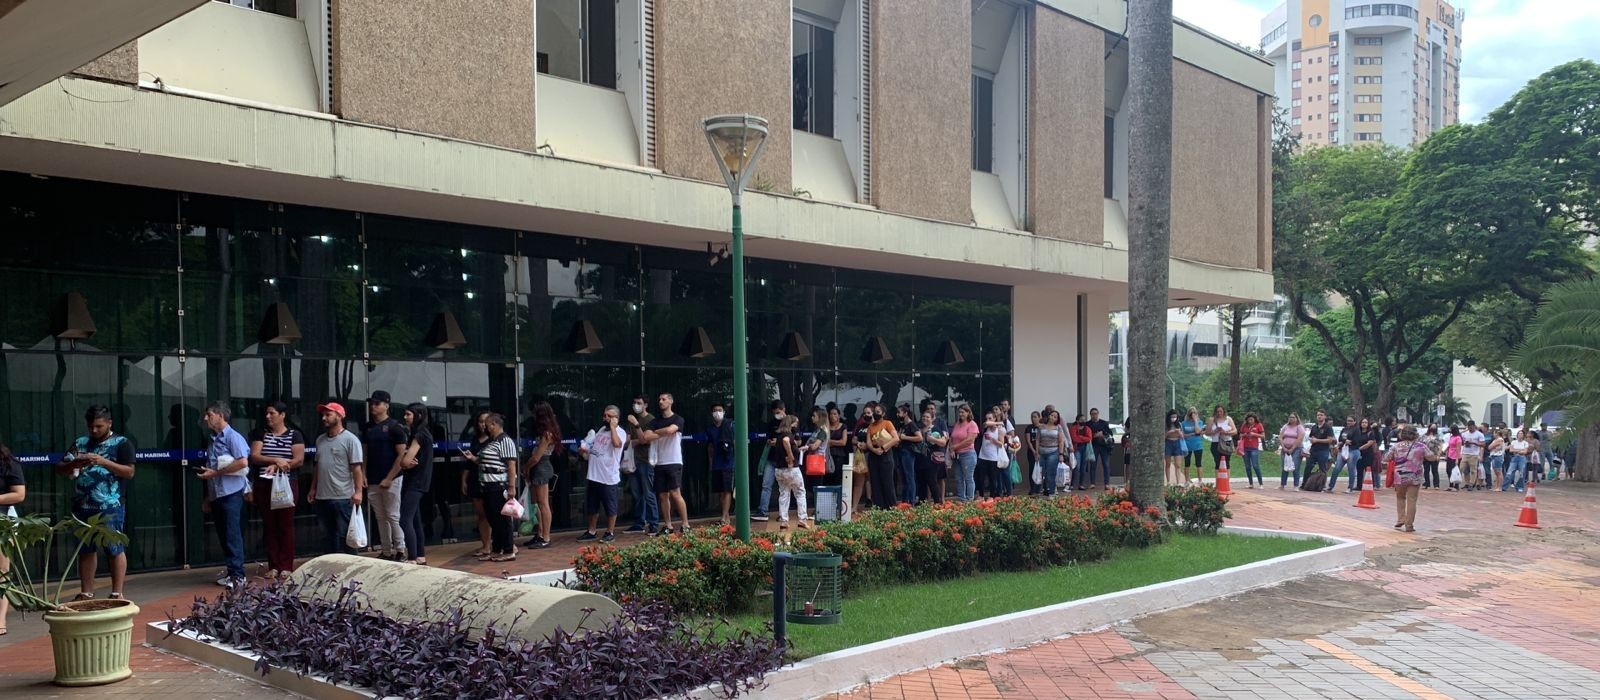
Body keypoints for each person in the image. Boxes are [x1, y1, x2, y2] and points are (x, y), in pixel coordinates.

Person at [58, 405, 136, 601]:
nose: (94, 430)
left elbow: (129, 472)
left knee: (114, 547)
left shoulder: (122, 443)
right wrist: (74, 464)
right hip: (82, 505)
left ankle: (117, 592)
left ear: (109, 423)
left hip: (110, 506)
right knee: (85, 549)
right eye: (91, 426)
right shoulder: (80, 443)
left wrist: (104, 462)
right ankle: (86, 591)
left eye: (99, 426)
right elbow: (60, 468)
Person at [248, 401, 305, 579]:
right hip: (265, 484)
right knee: (270, 525)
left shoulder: (295, 435)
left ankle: (286, 565)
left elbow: (299, 459)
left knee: (285, 525)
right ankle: (273, 565)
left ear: (282, 415)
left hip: (286, 484)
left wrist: (282, 465)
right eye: (267, 413)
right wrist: (275, 460)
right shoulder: (261, 433)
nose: (268, 417)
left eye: (272, 413)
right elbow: (255, 456)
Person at [308, 401, 364, 556]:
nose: (324, 418)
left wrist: (358, 492)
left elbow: (356, 468)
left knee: (347, 537)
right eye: (323, 415)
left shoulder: (350, 439)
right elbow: (317, 466)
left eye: (328, 414)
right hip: (322, 496)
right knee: (327, 537)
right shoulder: (320, 440)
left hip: (343, 496)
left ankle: (352, 572)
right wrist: (313, 488)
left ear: (339, 416)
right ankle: (331, 571)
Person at [363, 390, 410, 561]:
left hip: (392, 478)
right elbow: (365, 453)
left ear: (386, 406)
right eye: (372, 403)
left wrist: (390, 477)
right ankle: (386, 549)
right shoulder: (368, 427)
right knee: (380, 516)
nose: (373, 406)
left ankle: (401, 549)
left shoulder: (395, 427)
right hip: (373, 477)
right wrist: (364, 473)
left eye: (377, 403)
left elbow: (401, 455)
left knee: (392, 515)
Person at [639, 393, 688, 536]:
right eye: (659, 399)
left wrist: (658, 432)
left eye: (664, 399)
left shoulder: (678, 419)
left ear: (671, 401)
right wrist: (663, 432)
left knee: (675, 493)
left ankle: (685, 524)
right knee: (662, 495)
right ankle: (668, 525)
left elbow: (671, 430)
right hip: (659, 462)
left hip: (673, 461)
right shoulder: (655, 421)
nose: (661, 402)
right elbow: (646, 437)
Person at [576, 405, 626, 543]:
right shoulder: (601, 430)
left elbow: (617, 444)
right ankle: (592, 531)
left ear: (616, 418)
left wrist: (613, 428)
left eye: (609, 416)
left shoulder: (619, 432)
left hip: (608, 476)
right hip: (594, 474)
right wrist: (584, 450)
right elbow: (594, 447)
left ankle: (610, 531)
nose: (605, 418)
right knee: (592, 506)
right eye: (604, 415)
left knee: (610, 506)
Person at [473, 413, 519, 561]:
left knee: (502, 519)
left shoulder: (505, 441)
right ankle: (497, 548)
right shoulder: (493, 441)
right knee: (493, 518)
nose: (485, 428)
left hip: (499, 486)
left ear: (494, 424)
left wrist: (511, 487)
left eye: (487, 425)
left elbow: (511, 465)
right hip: (488, 486)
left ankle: (508, 550)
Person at [520, 401, 562, 549]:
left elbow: (536, 457)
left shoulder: (547, 434)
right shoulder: (546, 431)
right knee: (536, 503)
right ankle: (540, 533)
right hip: (539, 468)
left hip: (541, 467)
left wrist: (526, 467)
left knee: (543, 503)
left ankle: (546, 536)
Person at [396, 403, 434, 565]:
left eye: (408, 414)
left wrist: (405, 459)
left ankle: (412, 557)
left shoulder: (419, 435)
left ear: (418, 416)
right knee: (415, 519)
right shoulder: (422, 433)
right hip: (417, 481)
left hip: (415, 482)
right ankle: (420, 555)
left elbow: (404, 462)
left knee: (405, 520)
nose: (405, 417)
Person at [624, 395, 660, 534]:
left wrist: (637, 430)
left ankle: (654, 523)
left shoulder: (650, 420)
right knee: (636, 493)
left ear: (645, 405)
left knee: (648, 493)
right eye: (634, 402)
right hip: (633, 461)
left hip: (646, 461)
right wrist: (636, 439)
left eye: (639, 403)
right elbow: (628, 441)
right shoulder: (632, 421)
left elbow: (644, 440)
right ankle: (639, 522)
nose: (636, 405)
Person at [1, 442, 28, 633]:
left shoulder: (9, 463)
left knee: (1, 572)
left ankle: (0, 619)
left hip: (3, 521)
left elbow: (19, 495)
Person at [459, 408, 492, 556]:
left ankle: (500, 544)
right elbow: (469, 463)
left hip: (490, 481)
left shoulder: (495, 440)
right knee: (481, 515)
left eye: (486, 421)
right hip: (474, 479)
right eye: (480, 421)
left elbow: (492, 462)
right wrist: (464, 480)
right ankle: (486, 545)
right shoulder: (474, 439)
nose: (483, 424)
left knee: (493, 513)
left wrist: (474, 459)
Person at [1386, 424, 1426, 532]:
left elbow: (1386, 458)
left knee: (1400, 498)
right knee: (1412, 500)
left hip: (1399, 476)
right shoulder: (1421, 446)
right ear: (1415, 434)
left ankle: (1400, 519)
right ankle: (1409, 525)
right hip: (1415, 476)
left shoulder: (1396, 446)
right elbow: (1431, 456)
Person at [770, 414, 808, 529]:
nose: (796, 425)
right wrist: (791, 455)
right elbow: (787, 441)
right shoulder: (788, 435)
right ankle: (802, 519)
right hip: (791, 469)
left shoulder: (779, 436)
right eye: (795, 423)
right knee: (800, 493)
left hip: (779, 470)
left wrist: (797, 450)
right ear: (790, 423)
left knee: (784, 494)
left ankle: (784, 521)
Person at [865, 404, 900, 508]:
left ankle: (891, 507)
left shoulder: (887, 423)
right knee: (875, 483)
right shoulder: (871, 426)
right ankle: (879, 507)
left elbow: (896, 438)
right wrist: (874, 450)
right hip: (874, 455)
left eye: (878, 411)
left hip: (886, 455)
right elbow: (868, 442)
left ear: (883, 413)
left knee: (887, 483)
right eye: (875, 411)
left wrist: (883, 448)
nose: (876, 413)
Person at [706, 403, 736, 524]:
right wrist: (710, 462)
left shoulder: (730, 425)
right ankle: (726, 516)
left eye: (719, 410)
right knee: (720, 491)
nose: (717, 412)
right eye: (714, 410)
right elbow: (710, 446)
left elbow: (735, 442)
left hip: (728, 462)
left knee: (727, 490)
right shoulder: (710, 429)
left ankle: (724, 517)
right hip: (716, 464)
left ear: (724, 412)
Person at [917, 410, 949, 503]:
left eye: (927, 417)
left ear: (932, 419)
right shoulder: (920, 429)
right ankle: (922, 502)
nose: (925, 419)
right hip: (921, 459)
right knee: (921, 482)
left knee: (932, 481)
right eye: (923, 416)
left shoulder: (935, 429)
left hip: (932, 460)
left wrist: (932, 439)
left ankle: (937, 502)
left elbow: (943, 442)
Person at [949, 404, 979, 502]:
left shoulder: (972, 424)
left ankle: (970, 499)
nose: (960, 414)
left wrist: (955, 447)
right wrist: (951, 449)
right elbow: (952, 438)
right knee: (958, 478)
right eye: (959, 412)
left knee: (968, 478)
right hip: (957, 455)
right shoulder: (957, 423)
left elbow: (969, 441)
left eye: (963, 412)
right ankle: (961, 498)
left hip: (968, 454)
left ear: (968, 413)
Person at [895, 404, 923, 505]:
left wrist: (905, 437)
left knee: (909, 476)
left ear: (905, 413)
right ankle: (904, 500)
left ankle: (911, 500)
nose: (898, 415)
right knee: (904, 477)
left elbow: (919, 438)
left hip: (908, 452)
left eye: (899, 412)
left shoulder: (912, 425)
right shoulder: (902, 425)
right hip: (901, 451)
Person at [977, 409, 1008, 497]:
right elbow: (985, 424)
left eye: (990, 418)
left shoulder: (999, 430)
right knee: (981, 478)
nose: (988, 420)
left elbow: (1001, 444)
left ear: (994, 418)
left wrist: (992, 439)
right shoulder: (985, 428)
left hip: (993, 458)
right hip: (983, 456)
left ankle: (992, 496)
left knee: (993, 479)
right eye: (986, 418)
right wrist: (999, 423)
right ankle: (981, 495)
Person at [1036, 410, 1065, 496]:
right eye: (1052, 415)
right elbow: (1037, 440)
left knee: (1050, 474)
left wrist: (1061, 454)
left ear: (1057, 419)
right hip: (1041, 452)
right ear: (1048, 416)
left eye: (1055, 417)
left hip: (1053, 452)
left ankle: (1052, 492)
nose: (1053, 417)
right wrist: (1036, 452)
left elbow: (1061, 441)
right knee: (1041, 473)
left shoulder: (1058, 427)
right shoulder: (1041, 427)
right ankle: (1042, 491)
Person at [1205, 405, 1237, 474]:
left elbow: (1235, 431)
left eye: (1221, 411)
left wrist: (1225, 433)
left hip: (1227, 442)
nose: (1219, 413)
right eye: (1217, 411)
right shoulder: (1212, 420)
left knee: (1227, 462)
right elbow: (1207, 433)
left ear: (1223, 411)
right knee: (1218, 462)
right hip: (1216, 443)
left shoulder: (1228, 419)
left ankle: (1226, 481)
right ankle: (1218, 481)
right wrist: (1215, 431)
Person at [1277, 413, 1306, 490]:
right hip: (1285, 449)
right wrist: (1283, 447)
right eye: (1290, 417)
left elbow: (1299, 439)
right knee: (1284, 466)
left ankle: (1296, 485)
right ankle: (1282, 484)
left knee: (1295, 467)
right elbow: (1280, 437)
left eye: (1293, 417)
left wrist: (1292, 448)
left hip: (1296, 449)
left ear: (1297, 418)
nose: (1291, 419)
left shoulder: (1299, 427)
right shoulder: (1285, 426)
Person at [1306, 410, 1335, 486]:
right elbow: (1311, 437)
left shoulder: (1328, 427)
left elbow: (1330, 440)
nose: (1319, 416)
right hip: (1313, 450)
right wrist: (1311, 440)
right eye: (1318, 415)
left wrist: (1317, 440)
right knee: (1308, 466)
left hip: (1323, 450)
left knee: (1322, 468)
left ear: (1324, 416)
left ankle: (1322, 485)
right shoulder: (1314, 427)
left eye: (1321, 415)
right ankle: (1305, 484)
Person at [1087, 408, 1113, 490]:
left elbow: (1110, 433)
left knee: (1106, 464)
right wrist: (1093, 435)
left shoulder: (1103, 423)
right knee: (1093, 465)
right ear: (1090, 415)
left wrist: (1102, 433)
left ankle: (1107, 483)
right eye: (1092, 414)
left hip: (1104, 446)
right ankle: (1092, 483)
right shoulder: (1088, 424)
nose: (1094, 415)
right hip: (1093, 445)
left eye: (1095, 413)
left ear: (1098, 414)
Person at [1238, 413, 1265, 488]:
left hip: (1254, 448)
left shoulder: (1258, 425)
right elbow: (1240, 434)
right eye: (1248, 419)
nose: (1250, 421)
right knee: (1247, 466)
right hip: (1245, 448)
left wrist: (1254, 434)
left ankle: (1261, 483)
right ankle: (1251, 483)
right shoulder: (1244, 425)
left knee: (1255, 465)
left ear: (1254, 419)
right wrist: (1245, 434)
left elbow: (1263, 436)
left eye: (1252, 419)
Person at [1352, 418, 1380, 491]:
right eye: (1363, 422)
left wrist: (1360, 448)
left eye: (1366, 422)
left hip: (1368, 454)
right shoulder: (1358, 432)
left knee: (1368, 470)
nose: (1364, 424)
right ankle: (1359, 485)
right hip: (1359, 454)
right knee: (1359, 470)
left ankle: (1371, 485)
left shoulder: (1370, 433)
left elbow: (1370, 443)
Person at [1068, 414, 1094, 490]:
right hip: (1077, 449)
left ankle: (1081, 484)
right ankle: (1072, 484)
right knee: (1077, 467)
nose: (1083, 421)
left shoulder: (1088, 429)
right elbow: (1074, 439)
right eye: (1081, 419)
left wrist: (1080, 437)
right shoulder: (1073, 428)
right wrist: (1083, 438)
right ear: (1077, 420)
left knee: (1083, 467)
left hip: (1085, 449)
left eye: (1084, 419)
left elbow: (1089, 439)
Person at [1180, 408, 1206, 483]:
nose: (1192, 415)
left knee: (1198, 463)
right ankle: (1187, 480)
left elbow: (1198, 431)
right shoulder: (1184, 423)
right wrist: (1192, 434)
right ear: (1188, 414)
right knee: (1187, 463)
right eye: (1191, 413)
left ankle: (1200, 480)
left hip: (1198, 445)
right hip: (1187, 445)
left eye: (1194, 413)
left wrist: (1195, 421)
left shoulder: (1199, 422)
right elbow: (1183, 435)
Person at [1460, 422, 1486, 492]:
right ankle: (1466, 483)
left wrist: (1474, 443)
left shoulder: (1479, 434)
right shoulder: (1465, 433)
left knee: (1473, 470)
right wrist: (1465, 443)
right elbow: (1460, 440)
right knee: (1462, 468)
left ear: (1474, 426)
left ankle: (1471, 483)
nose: (1470, 429)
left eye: (1471, 427)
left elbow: (1483, 444)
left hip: (1474, 454)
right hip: (1465, 453)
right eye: (1469, 427)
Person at [1163, 410, 1187, 486]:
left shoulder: (1179, 424)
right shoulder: (1166, 425)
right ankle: (1168, 481)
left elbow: (1183, 436)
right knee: (1168, 463)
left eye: (1175, 417)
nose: (1174, 418)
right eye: (1172, 417)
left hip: (1177, 443)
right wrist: (1170, 432)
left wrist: (1179, 433)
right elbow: (1164, 436)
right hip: (1168, 443)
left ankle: (1178, 482)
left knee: (1178, 464)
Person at [1421, 426, 1444, 490]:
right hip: (1426, 456)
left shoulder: (1438, 436)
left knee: (1435, 470)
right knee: (1426, 470)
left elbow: (1440, 445)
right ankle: (1426, 484)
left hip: (1434, 455)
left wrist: (1438, 455)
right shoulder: (1424, 436)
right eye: (1432, 427)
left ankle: (1436, 485)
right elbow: (1421, 444)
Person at [1445, 425, 1463, 491]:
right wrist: (1446, 454)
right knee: (1448, 470)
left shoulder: (1458, 438)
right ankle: (1451, 484)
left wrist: (1457, 458)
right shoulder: (1451, 437)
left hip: (1455, 456)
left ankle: (1456, 486)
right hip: (1450, 455)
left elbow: (1458, 448)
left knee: (1455, 471)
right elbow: (1449, 446)